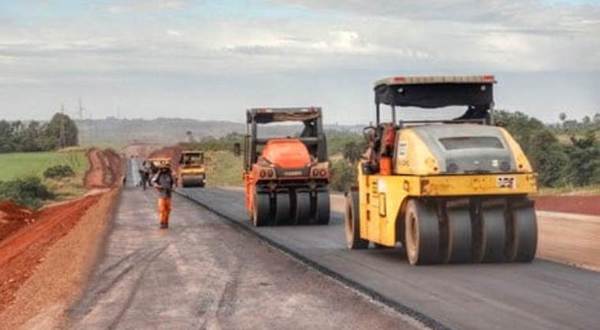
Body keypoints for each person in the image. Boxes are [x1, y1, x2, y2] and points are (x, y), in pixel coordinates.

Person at [151, 161, 176, 229]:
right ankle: (162, 223)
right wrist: (157, 186)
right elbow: (153, 181)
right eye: (163, 168)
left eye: (165, 168)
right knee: (162, 210)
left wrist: (173, 186)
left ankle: (166, 222)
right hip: (161, 195)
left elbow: (173, 183)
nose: (164, 169)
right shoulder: (158, 175)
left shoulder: (170, 175)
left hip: (168, 195)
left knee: (168, 210)